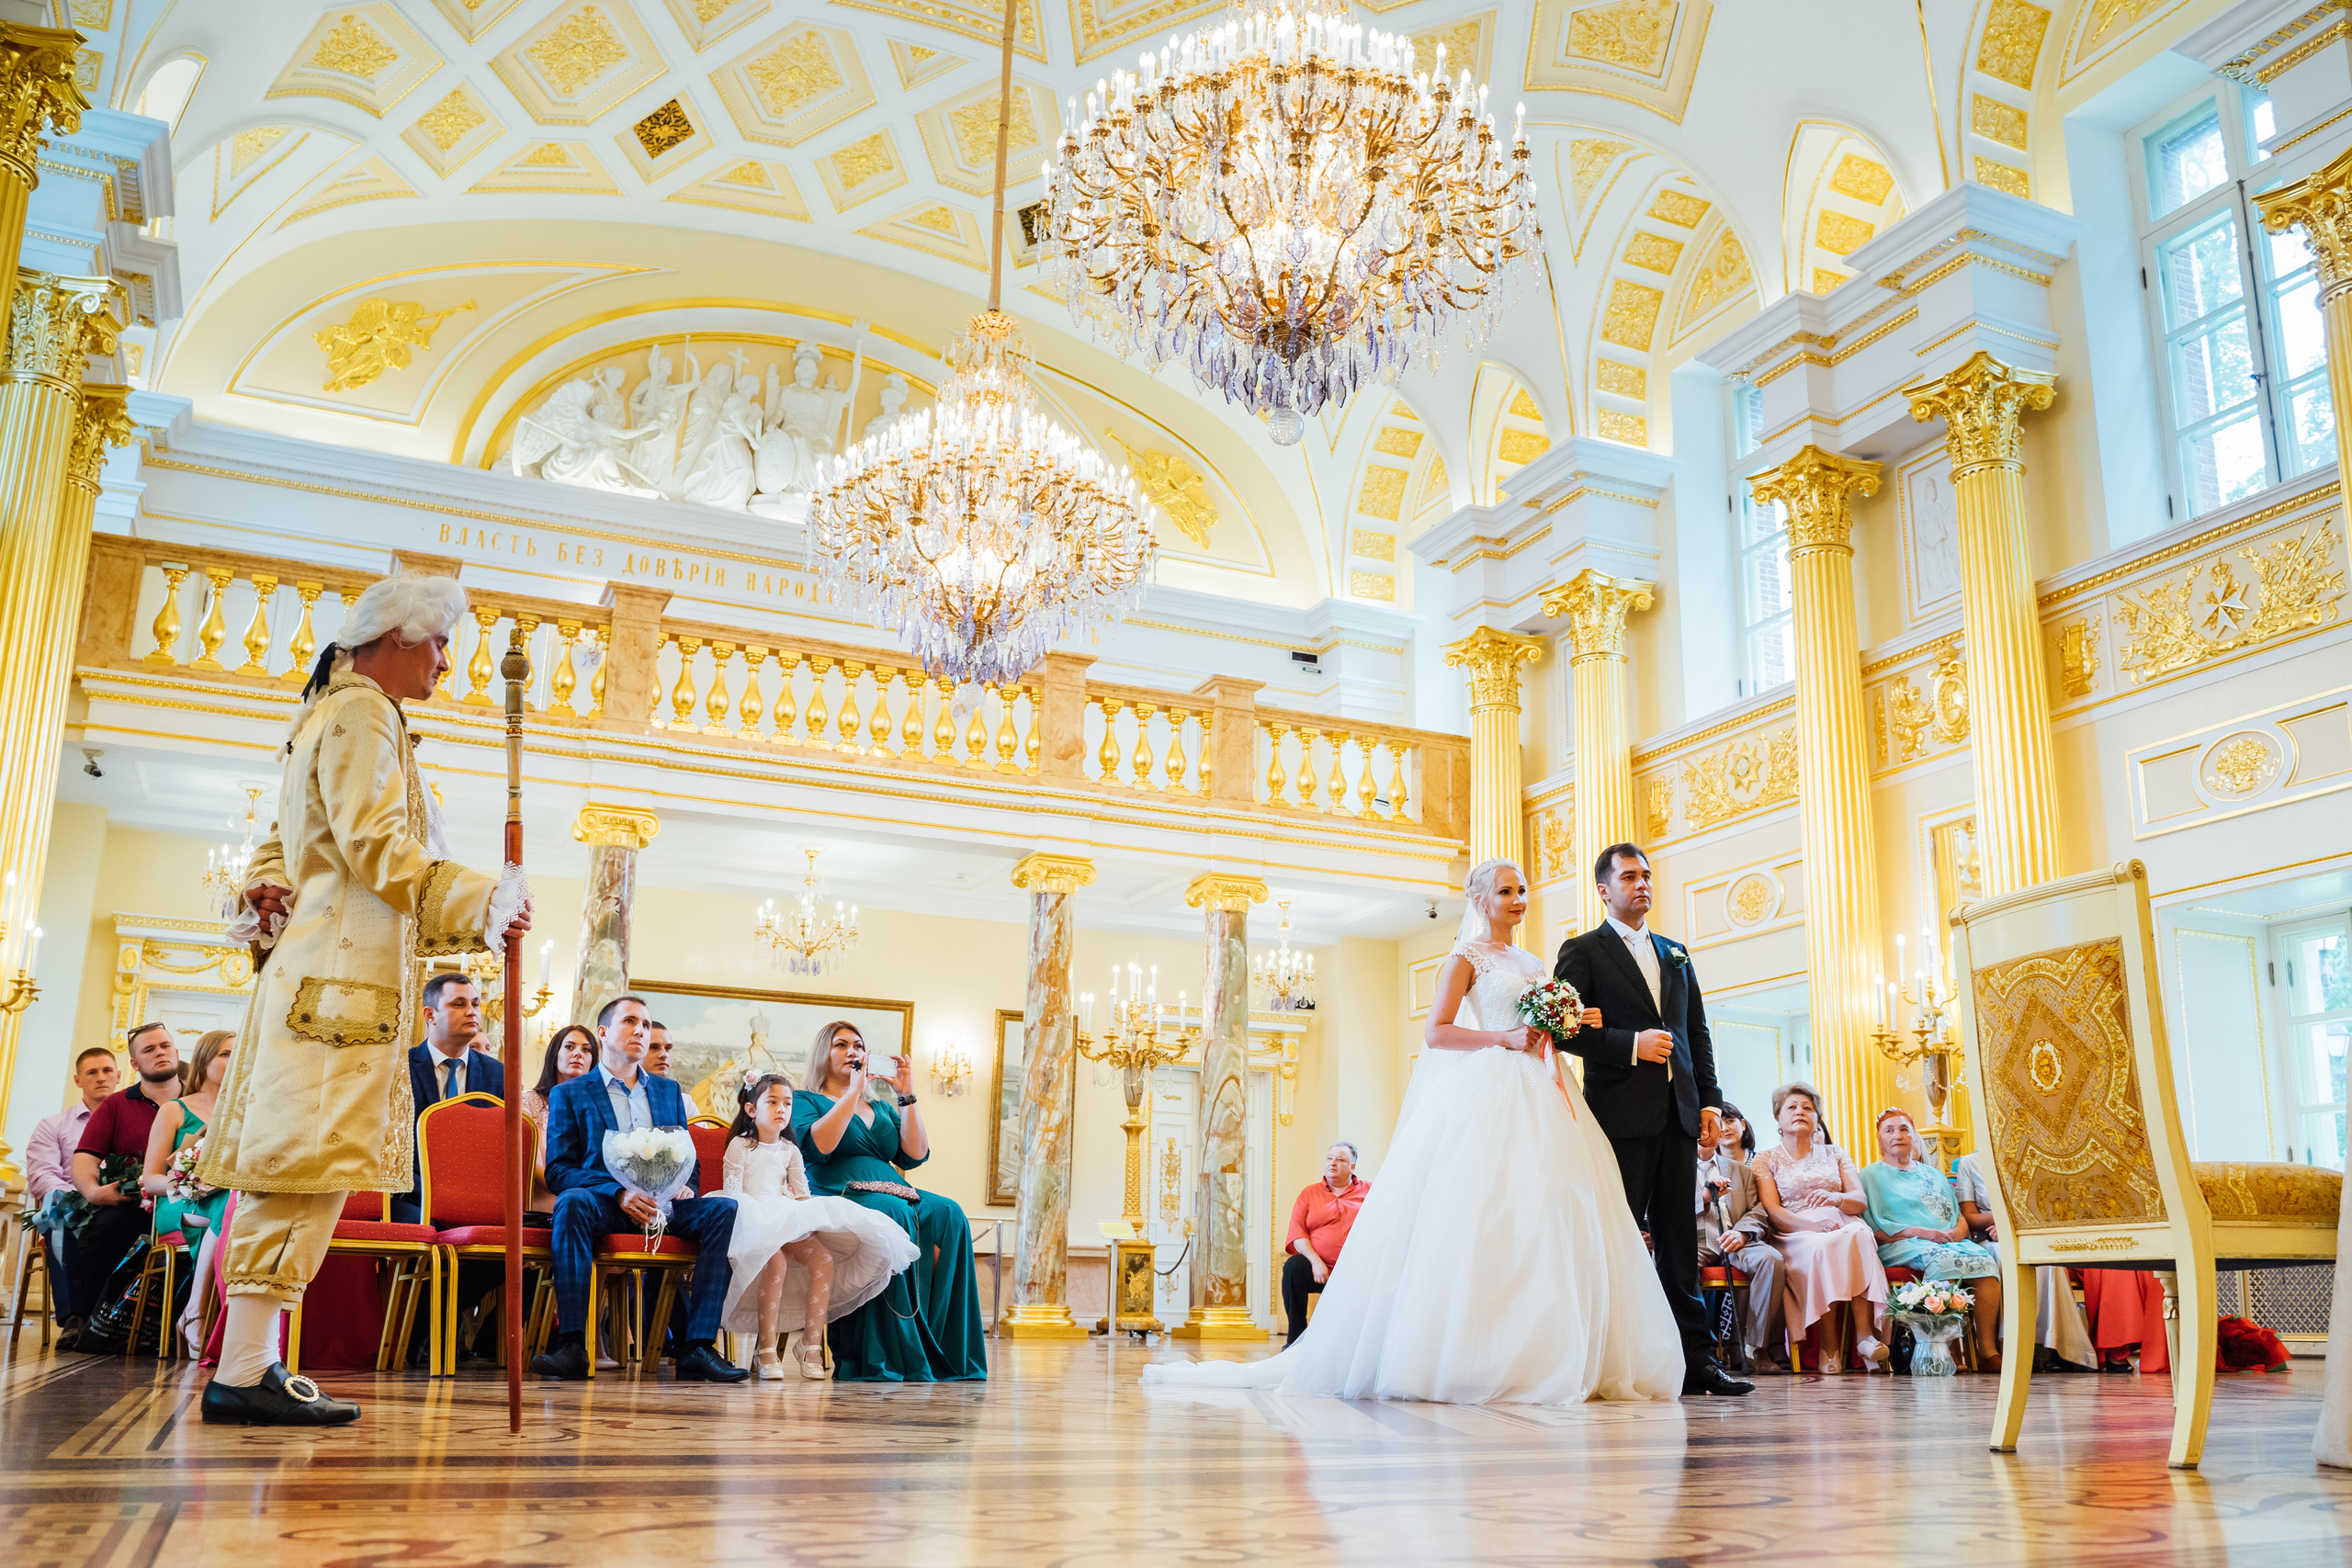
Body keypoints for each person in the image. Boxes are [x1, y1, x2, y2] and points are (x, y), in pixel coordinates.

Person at [1145, 859, 1681, 1404]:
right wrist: (1503, 1038)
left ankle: (1553, 1347)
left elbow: (1545, 1027)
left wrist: (1569, 1022)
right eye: (1506, 891)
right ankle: (1468, 1355)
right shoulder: (1465, 958)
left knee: (1549, 1208)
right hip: (1493, 1086)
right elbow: (1438, 1032)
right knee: (1485, 1211)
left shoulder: (1533, 961)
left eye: (1522, 890)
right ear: (1481, 901)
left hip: (1542, 1086)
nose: (1518, 899)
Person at [197, 575, 531, 1427]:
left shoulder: (324, 714)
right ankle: (244, 1369)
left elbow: (282, 845)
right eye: (441, 642)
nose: (447, 662)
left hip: (321, 980)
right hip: (336, 990)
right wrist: (482, 900)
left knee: (299, 1171)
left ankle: (251, 1364)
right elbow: (375, 841)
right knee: (295, 1171)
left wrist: (267, 888)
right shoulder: (363, 712)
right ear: (398, 635)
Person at [1555, 843, 1752, 1398]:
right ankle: (1608, 1359)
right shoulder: (1583, 950)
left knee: (1679, 1244)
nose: (1641, 883)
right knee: (1616, 1239)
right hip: (1619, 1116)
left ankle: (1696, 1363)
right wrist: (1630, 1044)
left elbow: (1696, 1032)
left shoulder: (1675, 952)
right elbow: (1564, 1031)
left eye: (1646, 875)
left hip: (1680, 1115)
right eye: (1628, 876)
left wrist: (1709, 1102)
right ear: (1603, 890)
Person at [529, 996, 746, 1383]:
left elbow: (687, 1155)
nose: (641, 1031)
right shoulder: (571, 1093)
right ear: (603, 1032)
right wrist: (618, 1193)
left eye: (646, 1024)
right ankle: (573, 1345)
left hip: (665, 1206)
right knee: (572, 1202)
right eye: (630, 1021)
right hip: (606, 1206)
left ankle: (697, 1347)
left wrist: (686, 1187)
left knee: (723, 1209)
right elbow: (560, 1170)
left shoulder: (667, 1091)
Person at [794, 1021, 988, 1382]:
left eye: (858, 1045)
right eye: (841, 1045)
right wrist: (852, 1093)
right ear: (823, 1054)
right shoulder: (805, 1100)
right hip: (838, 1190)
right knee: (893, 1211)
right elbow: (819, 1146)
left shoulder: (880, 1107)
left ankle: (941, 1348)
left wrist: (906, 1095)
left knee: (950, 1213)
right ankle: (892, 1355)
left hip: (892, 1188)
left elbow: (914, 1154)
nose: (853, 1052)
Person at [720, 1071, 918, 1380]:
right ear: (751, 1109)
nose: (781, 1109)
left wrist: (808, 1223)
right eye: (772, 1102)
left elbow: (802, 1194)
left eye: (787, 1103)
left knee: (823, 1259)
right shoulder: (740, 1146)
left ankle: (810, 1344)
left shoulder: (790, 1151)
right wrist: (755, 1221)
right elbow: (732, 1193)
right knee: (774, 1262)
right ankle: (766, 1348)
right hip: (749, 1215)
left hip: (783, 1213)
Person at [1753, 1081, 1890, 1374]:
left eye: (1808, 1108)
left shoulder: (1835, 1153)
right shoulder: (1765, 1159)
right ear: (1778, 1117)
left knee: (1860, 1233)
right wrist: (1811, 1224)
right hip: (1794, 1231)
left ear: (1817, 1118)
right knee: (1824, 1245)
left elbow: (1859, 1201)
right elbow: (1773, 1211)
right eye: (1792, 1107)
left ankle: (1865, 1337)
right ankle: (1830, 1345)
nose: (1800, 1112)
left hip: (1841, 1220)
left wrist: (1837, 1198)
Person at [63, 1024, 181, 1350]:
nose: (160, 1053)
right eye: (149, 1050)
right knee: (104, 1229)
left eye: (165, 1046)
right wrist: (93, 1191)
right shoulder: (116, 1105)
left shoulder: (201, 1099)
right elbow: (85, 1158)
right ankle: (91, 1322)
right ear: (134, 1064)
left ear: (176, 1052)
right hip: (132, 1204)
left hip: (188, 1202)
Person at [1860, 1109, 2001, 1371]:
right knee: (1943, 1260)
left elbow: (1959, 1216)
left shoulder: (1933, 1174)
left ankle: (1987, 1351)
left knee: (1986, 1263)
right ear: (1879, 1139)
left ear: (1914, 1135)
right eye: (1889, 1130)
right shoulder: (1868, 1176)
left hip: (1949, 1242)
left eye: (1904, 1129)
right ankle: (1942, 1348)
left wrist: (1959, 1230)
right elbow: (1871, 1230)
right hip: (1900, 1244)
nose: (1897, 1135)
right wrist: (1921, 1233)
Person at [1951, 1151, 2097, 1371]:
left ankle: (2051, 1345)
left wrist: (2016, 1222)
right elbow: (1969, 1216)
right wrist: (2003, 1222)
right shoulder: (1969, 1163)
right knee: (2006, 1257)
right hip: (1990, 1238)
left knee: (2047, 1261)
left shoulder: (2032, 1155)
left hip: (2029, 1232)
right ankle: (2012, 1345)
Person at [141, 1030, 235, 1357]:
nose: (235, 1060)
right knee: (229, 1206)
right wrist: (188, 1182)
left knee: (233, 1204)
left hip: (227, 1202)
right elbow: (150, 1178)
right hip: (179, 1204)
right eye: (225, 1054)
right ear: (204, 1060)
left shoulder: (244, 1113)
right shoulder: (174, 1110)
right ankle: (196, 1311)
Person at [393, 973, 506, 1224]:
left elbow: (500, 1150)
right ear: (430, 1015)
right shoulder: (400, 1068)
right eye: (459, 1004)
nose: (472, 1012)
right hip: (412, 1197)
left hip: (477, 1199)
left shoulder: (497, 1074)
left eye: (475, 1004)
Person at [23, 1047, 118, 1336]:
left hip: (119, 1206)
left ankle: (115, 1321)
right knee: (61, 1219)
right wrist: (84, 1198)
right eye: (92, 1072)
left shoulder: (134, 1125)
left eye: (107, 1071)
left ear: (118, 1076)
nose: (101, 1077)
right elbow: (41, 1176)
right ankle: (73, 1319)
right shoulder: (52, 1126)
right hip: (71, 1208)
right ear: (78, 1080)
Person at [1698, 1104, 1786, 1373]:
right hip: (1695, 1242)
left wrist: (1742, 1232)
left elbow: (1758, 1210)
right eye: (1701, 1127)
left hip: (1735, 1240)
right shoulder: (1672, 1168)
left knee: (1771, 1259)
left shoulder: (1741, 1171)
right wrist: (1701, 1199)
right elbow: (1663, 1210)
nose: (1707, 1132)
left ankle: (1755, 1348)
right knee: (1673, 1264)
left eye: (1712, 1126)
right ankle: (1696, 1350)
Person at [1281, 1141, 1369, 1341]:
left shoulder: (1370, 1192)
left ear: (1352, 1167)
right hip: (1319, 1269)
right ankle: (1296, 1339)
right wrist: (1316, 1262)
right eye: (1329, 1158)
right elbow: (1297, 1235)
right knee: (1293, 1267)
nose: (1332, 1163)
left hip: (1357, 1269)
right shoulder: (1309, 1193)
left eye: (1340, 1160)